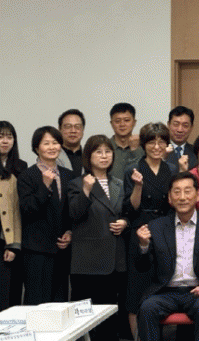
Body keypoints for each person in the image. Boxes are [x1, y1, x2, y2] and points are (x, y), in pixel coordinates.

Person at [136, 172, 199, 341]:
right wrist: (143, 245)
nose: (182, 197)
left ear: (197, 195)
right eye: (177, 192)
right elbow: (143, 267)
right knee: (147, 308)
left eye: (187, 191)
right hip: (166, 292)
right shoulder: (156, 226)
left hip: (198, 291)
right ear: (170, 198)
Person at [68, 135, 127, 341]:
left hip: (114, 260)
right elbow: (74, 214)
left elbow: (126, 212)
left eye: (108, 151)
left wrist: (125, 222)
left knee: (109, 319)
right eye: (98, 152)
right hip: (87, 262)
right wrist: (86, 190)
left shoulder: (118, 183)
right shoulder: (77, 183)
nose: (104, 156)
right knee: (82, 321)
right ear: (88, 156)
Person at [122, 122, 177, 339]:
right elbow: (130, 208)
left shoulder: (172, 169)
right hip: (140, 228)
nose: (156, 146)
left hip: (166, 229)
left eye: (161, 142)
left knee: (162, 285)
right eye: (151, 142)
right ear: (144, 145)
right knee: (137, 288)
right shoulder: (133, 169)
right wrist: (138, 186)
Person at [17, 126, 73, 305]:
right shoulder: (27, 176)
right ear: (36, 148)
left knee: (60, 302)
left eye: (55, 143)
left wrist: (70, 232)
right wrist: (45, 185)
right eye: (46, 143)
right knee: (37, 302)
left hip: (62, 249)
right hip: (36, 249)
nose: (52, 147)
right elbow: (28, 209)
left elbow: (71, 210)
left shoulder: (68, 175)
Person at [0, 121, 26, 310]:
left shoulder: (20, 167)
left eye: (9, 137)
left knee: (10, 295)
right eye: (0, 136)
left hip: (9, 241)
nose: (5, 141)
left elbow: (18, 209)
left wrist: (14, 244)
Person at [109, 102, 145, 182]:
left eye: (127, 120)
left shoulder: (145, 146)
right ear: (111, 123)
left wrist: (135, 150)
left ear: (134, 122)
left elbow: (146, 172)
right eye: (117, 121)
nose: (122, 124)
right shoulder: (105, 147)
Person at [166, 106, 197, 171]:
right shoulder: (159, 150)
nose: (180, 130)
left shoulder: (196, 152)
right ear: (168, 125)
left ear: (191, 128)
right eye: (176, 124)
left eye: (185, 125)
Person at [57, 108, 85, 177]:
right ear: (60, 129)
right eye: (68, 127)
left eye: (77, 127)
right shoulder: (51, 156)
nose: (73, 131)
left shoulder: (90, 156)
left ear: (83, 130)